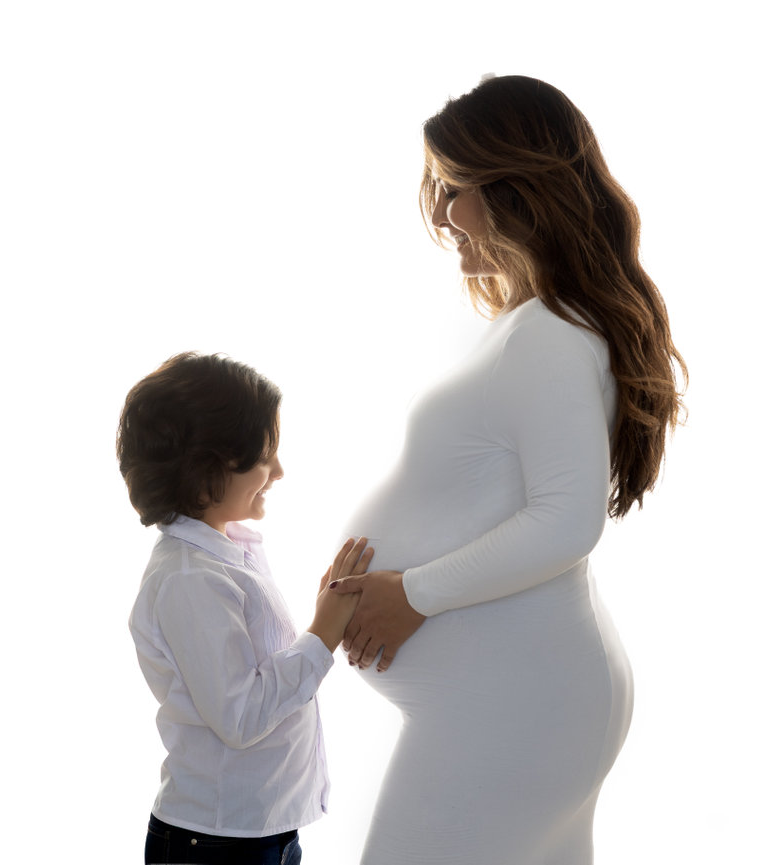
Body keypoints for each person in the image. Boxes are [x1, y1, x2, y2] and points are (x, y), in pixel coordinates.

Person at [328, 75, 687, 864]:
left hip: (515, 709)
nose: (440, 215)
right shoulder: (536, 324)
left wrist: (409, 593)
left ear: (517, 189)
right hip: (516, 703)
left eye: (455, 189)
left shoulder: (552, 335)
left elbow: (568, 520)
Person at [118, 351, 373, 865]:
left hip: (256, 832)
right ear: (206, 471)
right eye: (263, 457)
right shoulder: (191, 579)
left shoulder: (228, 554)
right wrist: (321, 633)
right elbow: (240, 714)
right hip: (217, 843)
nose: (278, 470)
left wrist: (327, 617)